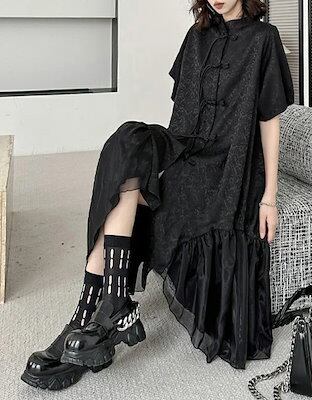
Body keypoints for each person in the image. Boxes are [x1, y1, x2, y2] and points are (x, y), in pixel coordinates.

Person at [21, 0, 294, 390]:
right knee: (125, 145)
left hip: (224, 168)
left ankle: (85, 319)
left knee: (126, 186)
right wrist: (160, 164)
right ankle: (111, 305)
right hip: (186, 150)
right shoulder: (196, 36)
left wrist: (269, 196)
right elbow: (182, 118)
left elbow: (269, 120)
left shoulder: (264, 38)